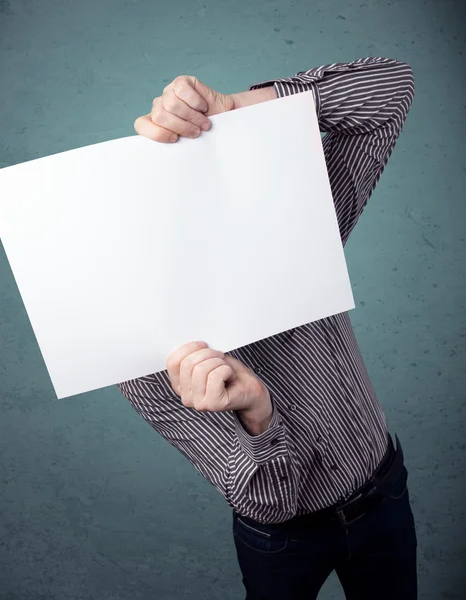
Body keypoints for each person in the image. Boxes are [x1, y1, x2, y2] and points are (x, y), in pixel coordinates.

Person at [118, 56, 416, 600]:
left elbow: (387, 90)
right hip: (284, 543)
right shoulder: (140, 363)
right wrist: (257, 412)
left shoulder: (295, 234)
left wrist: (238, 110)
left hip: (384, 491)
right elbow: (270, 505)